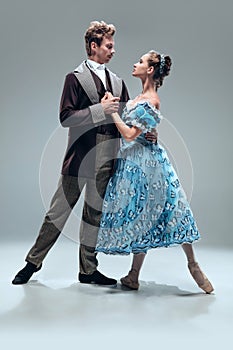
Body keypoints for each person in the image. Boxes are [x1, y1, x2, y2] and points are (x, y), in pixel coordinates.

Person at [12, 20, 130, 285]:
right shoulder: (74, 79)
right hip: (79, 158)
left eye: (113, 46)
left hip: (107, 158)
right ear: (93, 46)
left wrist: (144, 133)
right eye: (109, 46)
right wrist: (100, 110)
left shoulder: (120, 83)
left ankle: (87, 270)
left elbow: (126, 121)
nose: (113, 51)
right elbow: (66, 118)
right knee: (58, 213)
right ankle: (32, 263)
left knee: (93, 217)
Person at [95, 50, 214, 294]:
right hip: (133, 161)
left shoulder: (151, 99)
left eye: (140, 61)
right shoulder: (140, 97)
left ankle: (193, 264)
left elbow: (129, 134)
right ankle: (133, 275)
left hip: (147, 162)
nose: (135, 63)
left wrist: (113, 112)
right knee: (142, 214)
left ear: (150, 69)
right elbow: (139, 131)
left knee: (172, 208)